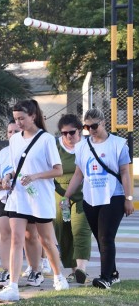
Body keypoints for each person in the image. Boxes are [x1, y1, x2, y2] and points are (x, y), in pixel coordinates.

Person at [0, 99, 69, 302]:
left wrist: (35, 176)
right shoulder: (14, 140)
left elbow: (58, 169)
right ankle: (13, 285)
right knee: (16, 239)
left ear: (33, 116)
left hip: (40, 197)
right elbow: (12, 165)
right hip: (19, 196)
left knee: (45, 240)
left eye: (22, 118)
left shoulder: (46, 139)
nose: (18, 123)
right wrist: (8, 177)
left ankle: (58, 276)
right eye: (15, 119)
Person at [62, 108, 134, 289]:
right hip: (91, 198)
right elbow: (79, 174)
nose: (90, 130)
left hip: (113, 196)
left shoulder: (118, 144)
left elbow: (125, 173)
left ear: (103, 123)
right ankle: (114, 273)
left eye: (94, 126)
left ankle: (105, 278)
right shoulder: (82, 146)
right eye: (86, 127)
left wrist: (129, 198)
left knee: (106, 237)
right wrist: (67, 195)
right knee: (101, 237)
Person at [54, 114, 92, 284]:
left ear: (80, 130)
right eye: (64, 133)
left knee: (81, 230)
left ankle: (82, 268)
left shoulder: (88, 146)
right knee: (64, 232)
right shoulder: (55, 147)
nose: (68, 136)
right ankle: (74, 270)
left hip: (83, 193)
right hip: (60, 194)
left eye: (72, 132)